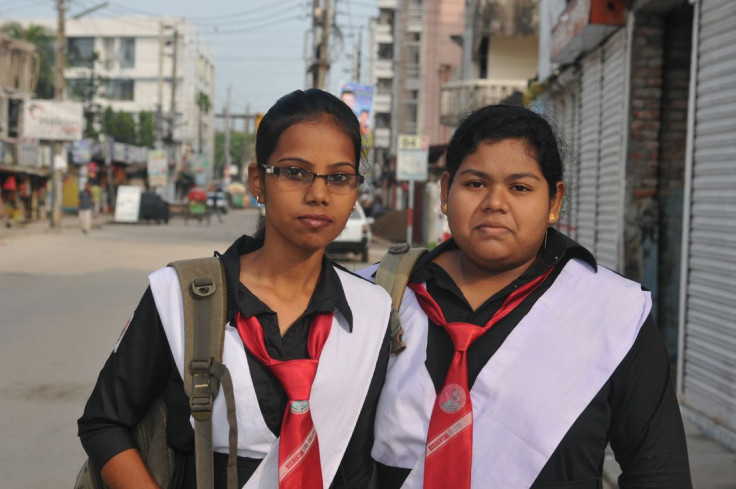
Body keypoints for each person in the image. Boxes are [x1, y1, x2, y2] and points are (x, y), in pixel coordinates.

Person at [359, 104, 692, 488]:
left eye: (519, 187)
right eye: (475, 184)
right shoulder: (380, 297)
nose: (495, 203)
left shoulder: (612, 313)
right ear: (445, 191)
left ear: (554, 201)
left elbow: (660, 473)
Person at [78, 89, 393, 489]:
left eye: (339, 177)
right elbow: (104, 423)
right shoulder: (183, 297)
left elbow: (360, 462)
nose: (318, 194)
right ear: (258, 181)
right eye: (295, 172)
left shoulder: (372, 311)